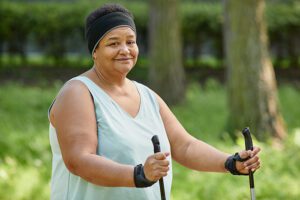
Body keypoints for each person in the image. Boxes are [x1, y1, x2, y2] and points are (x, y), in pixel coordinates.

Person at [48, 3, 261, 200]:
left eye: (130, 42)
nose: (125, 49)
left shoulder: (147, 95)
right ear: (95, 51)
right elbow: (79, 161)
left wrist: (231, 163)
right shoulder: (78, 92)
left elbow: (184, 146)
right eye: (113, 43)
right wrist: (139, 175)